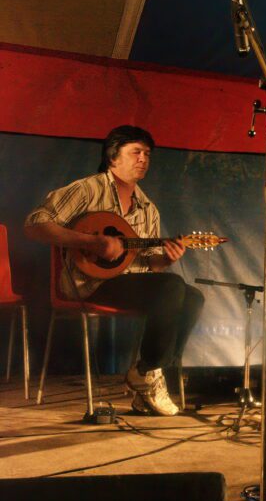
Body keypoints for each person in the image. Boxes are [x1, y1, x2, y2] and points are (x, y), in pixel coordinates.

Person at [25, 125, 204, 416]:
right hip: (89, 283)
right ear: (112, 157)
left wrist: (165, 260)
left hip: (130, 284)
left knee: (194, 297)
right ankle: (148, 375)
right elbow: (34, 224)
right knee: (171, 286)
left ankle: (147, 371)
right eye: (136, 152)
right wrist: (91, 242)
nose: (143, 159)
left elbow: (150, 263)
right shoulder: (87, 190)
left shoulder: (148, 209)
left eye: (147, 154)